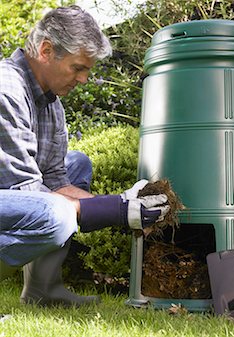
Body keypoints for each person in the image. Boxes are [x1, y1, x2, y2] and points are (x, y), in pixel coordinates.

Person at [0, 5, 169, 306]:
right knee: (55, 216)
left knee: (76, 163)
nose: (84, 79)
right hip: (11, 189)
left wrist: (122, 203)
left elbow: (54, 180)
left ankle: (43, 291)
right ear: (46, 50)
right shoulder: (7, 89)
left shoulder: (52, 105)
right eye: (78, 68)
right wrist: (113, 211)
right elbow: (26, 192)